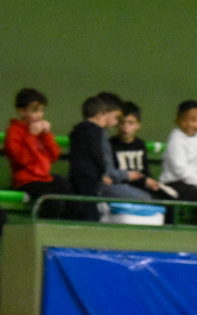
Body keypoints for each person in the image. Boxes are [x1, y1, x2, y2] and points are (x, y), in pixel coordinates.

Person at [68, 94, 152, 221]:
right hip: (96, 185)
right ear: (102, 114)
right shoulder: (98, 134)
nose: (117, 122)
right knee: (146, 198)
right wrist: (123, 175)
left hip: (81, 182)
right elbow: (100, 160)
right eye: (117, 117)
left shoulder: (77, 131)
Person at [3, 88, 72, 219]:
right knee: (52, 202)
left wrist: (47, 135)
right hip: (26, 180)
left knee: (68, 189)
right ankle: (43, 227)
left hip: (44, 177)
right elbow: (22, 159)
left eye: (41, 110)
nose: (39, 115)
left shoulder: (41, 132)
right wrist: (31, 136)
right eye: (35, 111)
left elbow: (54, 155)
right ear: (21, 111)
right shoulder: (14, 131)